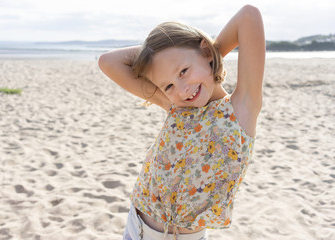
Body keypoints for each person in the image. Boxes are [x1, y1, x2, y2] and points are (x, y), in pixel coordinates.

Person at [98, 5, 265, 240]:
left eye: (184, 71)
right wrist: (170, 60)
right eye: (168, 85)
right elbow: (108, 61)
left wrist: (211, 54)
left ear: (205, 52)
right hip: (136, 229)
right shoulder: (176, 107)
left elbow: (248, 15)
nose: (183, 89)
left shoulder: (242, 108)